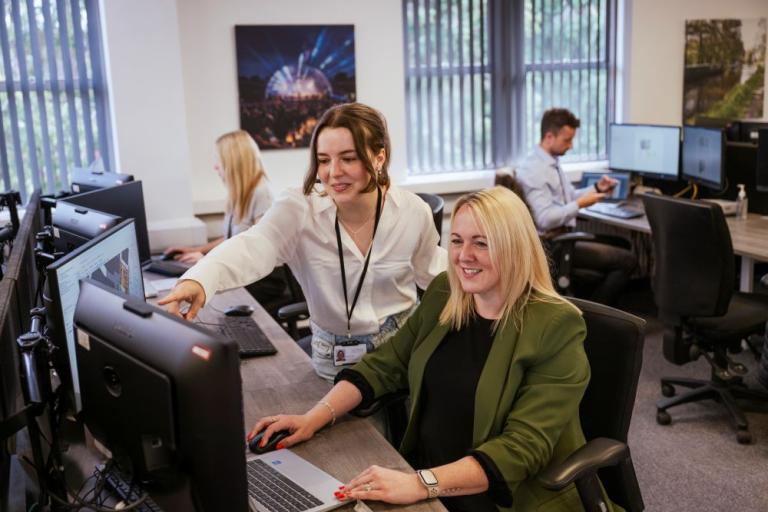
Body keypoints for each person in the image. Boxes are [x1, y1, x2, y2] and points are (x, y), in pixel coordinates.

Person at [248, 186, 616, 511]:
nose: (463, 256)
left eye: (482, 242)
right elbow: (386, 364)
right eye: (456, 240)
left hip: (500, 495)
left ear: (514, 247)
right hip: (423, 476)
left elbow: (521, 449)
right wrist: (314, 417)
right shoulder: (446, 294)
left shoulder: (555, 326)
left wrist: (419, 483)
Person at [159, 103, 446, 380]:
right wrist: (199, 280)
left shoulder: (412, 212)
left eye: (348, 158)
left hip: (401, 351)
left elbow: (433, 272)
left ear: (379, 157)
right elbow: (254, 244)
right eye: (323, 160)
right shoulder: (299, 209)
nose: (334, 172)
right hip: (332, 355)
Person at [516, 108, 636, 306]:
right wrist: (579, 205)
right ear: (549, 136)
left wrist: (597, 188)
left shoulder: (550, 162)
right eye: (567, 140)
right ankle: (596, 317)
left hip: (563, 235)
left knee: (623, 244)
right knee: (628, 261)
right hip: (552, 244)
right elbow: (545, 218)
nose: (571, 146)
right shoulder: (534, 170)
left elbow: (568, 197)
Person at [162, 130, 287, 306]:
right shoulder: (239, 192)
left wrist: (211, 265)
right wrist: (198, 250)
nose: (215, 167)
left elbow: (260, 254)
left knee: (209, 303)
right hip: (246, 274)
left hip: (264, 281)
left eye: (218, 161)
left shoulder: (262, 194)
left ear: (232, 162)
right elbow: (233, 238)